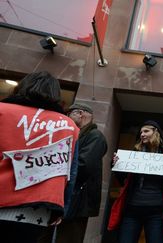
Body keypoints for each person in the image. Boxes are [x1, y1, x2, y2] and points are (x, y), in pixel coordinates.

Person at [0, 71, 80, 242]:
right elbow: (71, 173)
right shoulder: (70, 126)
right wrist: (61, 207)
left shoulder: (2, 111)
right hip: (37, 213)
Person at [108, 120, 163, 243]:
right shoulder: (133, 155)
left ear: (156, 133)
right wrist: (116, 165)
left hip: (156, 212)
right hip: (132, 210)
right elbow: (122, 180)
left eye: (146, 131)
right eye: (141, 132)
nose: (142, 134)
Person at [38, 103, 108, 243]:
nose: (66, 118)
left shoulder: (95, 136)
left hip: (79, 201)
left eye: (68, 114)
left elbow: (83, 166)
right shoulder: (76, 134)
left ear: (80, 114)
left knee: (68, 237)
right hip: (65, 196)